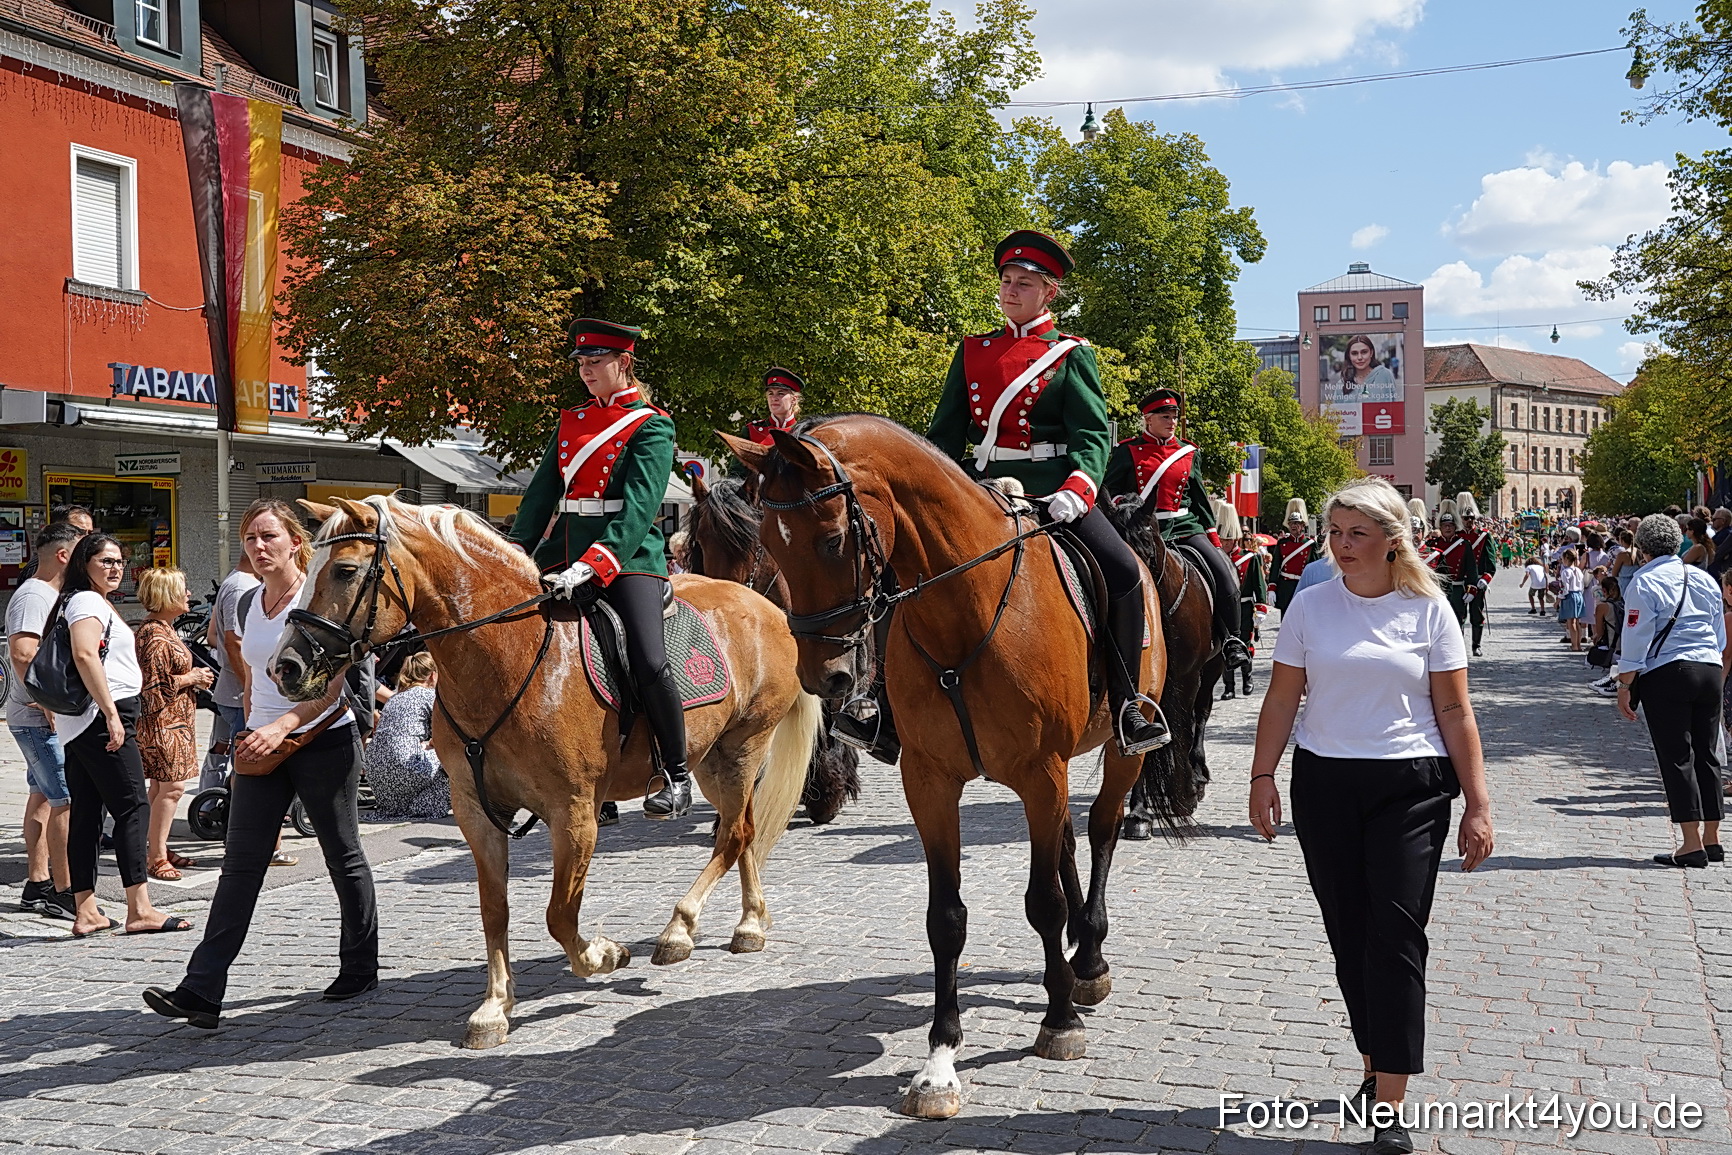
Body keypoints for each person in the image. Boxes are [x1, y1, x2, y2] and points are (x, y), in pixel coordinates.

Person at [1248, 477, 1494, 1155]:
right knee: (1349, 933)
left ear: (1393, 540)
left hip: (1409, 787)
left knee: (1395, 935)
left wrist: (1477, 801)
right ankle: (1371, 1061)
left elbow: (1454, 710)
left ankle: (1389, 1106)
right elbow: (1281, 696)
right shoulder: (1310, 604)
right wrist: (1261, 773)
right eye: (1335, 531)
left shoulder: (1429, 607)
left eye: (1358, 533)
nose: (1343, 545)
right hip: (1324, 782)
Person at [928, 230, 1167, 755]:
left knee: (1124, 573)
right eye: (1006, 282)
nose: (1010, 291)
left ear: (1049, 293)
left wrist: (1079, 489)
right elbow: (945, 435)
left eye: (1023, 284)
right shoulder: (972, 351)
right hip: (984, 488)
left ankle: (1130, 705)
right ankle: (880, 705)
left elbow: (1090, 436)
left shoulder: (1070, 354)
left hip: (1056, 491)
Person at [144, 500, 379, 1029]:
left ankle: (361, 965)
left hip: (322, 741)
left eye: (268, 536)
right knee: (240, 867)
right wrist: (250, 729)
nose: (258, 546)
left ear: (297, 541)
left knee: (343, 855)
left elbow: (333, 686)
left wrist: (280, 727)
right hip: (261, 747)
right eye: (250, 538)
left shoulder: (315, 596)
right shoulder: (249, 602)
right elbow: (250, 676)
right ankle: (201, 991)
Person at [509, 318, 696, 815]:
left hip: (628, 556)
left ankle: (675, 774)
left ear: (623, 363)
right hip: (563, 551)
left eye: (595, 362)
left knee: (647, 658)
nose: (586, 371)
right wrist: (513, 552)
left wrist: (596, 564)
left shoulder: (652, 424)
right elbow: (541, 494)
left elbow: (639, 507)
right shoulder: (571, 421)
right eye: (582, 363)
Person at [57, 534, 191, 937]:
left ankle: (87, 911)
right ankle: (140, 909)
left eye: (119, 561)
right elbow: (83, 653)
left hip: (85, 721)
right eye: (105, 561)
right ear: (84, 564)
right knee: (134, 807)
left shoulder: (82, 601)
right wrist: (113, 715)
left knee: (88, 812)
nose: (115, 568)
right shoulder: (87, 601)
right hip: (102, 718)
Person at [1101, 388, 1251, 672]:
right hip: (1141, 529)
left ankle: (1232, 640)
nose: (1171, 422)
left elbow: (1199, 501)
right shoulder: (1127, 451)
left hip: (1183, 526)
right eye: (1164, 416)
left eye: (1174, 416)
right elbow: (1109, 491)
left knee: (1224, 573)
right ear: (1148, 419)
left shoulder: (1188, 452)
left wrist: (1213, 538)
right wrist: (1125, 504)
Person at [1615, 514, 1727, 868]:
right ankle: (1713, 837)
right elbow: (1717, 631)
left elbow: (1635, 636)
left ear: (1643, 548)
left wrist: (1624, 683)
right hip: (1709, 668)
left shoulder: (1644, 580)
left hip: (1669, 670)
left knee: (1678, 756)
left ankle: (1690, 843)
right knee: (1707, 754)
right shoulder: (1702, 578)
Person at [8, 522, 85, 920]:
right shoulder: (36, 595)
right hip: (38, 719)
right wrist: (49, 704)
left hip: (36, 717)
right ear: (63, 555)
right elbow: (23, 653)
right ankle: (63, 890)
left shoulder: (45, 593)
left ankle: (37, 883)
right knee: (64, 800)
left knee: (42, 797)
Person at [135, 568, 214, 881]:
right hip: (163, 723)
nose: (188, 595)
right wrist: (191, 678)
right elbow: (151, 688)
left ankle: (158, 847)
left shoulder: (161, 629)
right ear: (166, 595)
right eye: (183, 589)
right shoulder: (154, 634)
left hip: (174, 721)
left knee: (160, 788)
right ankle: (156, 857)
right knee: (171, 788)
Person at [364, 652, 451, 822]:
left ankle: (405, 806)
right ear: (433, 676)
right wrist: (432, 744)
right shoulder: (429, 696)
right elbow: (447, 733)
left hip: (375, 768)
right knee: (454, 757)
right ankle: (428, 805)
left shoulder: (394, 699)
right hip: (405, 767)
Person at [199, 553, 259, 793]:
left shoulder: (234, 582)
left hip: (229, 688)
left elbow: (213, 635)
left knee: (222, 748)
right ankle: (231, 813)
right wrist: (251, 688)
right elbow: (234, 642)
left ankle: (209, 802)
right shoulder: (243, 587)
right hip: (239, 693)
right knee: (243, 759)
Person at [1218, 502, 1266, 701]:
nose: (1225, 543)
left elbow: (1258, 584)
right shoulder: (1218, 558)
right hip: (1224, 609)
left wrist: (1261, 607)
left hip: (1245, 607)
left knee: (1245, 644)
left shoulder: (1249, 558)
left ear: (1236, 538)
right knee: (1224, 647)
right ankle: (1229, 686)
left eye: (1228, 539)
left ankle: (1247, 679)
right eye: (1222, 539)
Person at [1426, 501, 1483, 649]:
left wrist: (1471, 589)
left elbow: (1471, 570)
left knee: (1458, 620)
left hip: (1457, 588)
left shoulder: (1463, 545)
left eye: (1450, 526)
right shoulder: (1433, 545)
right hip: (1438, 589)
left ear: (1455, 527)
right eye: (1445, 526)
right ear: (1440, 527)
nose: (1447, 528)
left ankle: (1457, 648)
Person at [1457, 494, 1494, 656]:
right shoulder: (1457, 536)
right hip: (1461, 581)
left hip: (1477, 580)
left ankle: (1476, 645)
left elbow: (1490, 562)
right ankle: (1458, 647)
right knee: (1459, 614)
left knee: (1477, 614)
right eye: (1466, 518)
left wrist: (1485, 579)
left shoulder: (1483, 536)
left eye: (1471, 518)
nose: (1469, 521)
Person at [1273, 500, 1316, 613]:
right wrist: (1272, 587)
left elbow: (1314, 568)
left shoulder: (1310, 544)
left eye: (1297, 523)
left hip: (1303, 585)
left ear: (1302, 525)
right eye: (1291, 523)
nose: (1293, 526)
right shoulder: (1282, 543)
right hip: (1285, 586)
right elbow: (1275, 566)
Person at [743, 366, 803, 445]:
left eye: (780, 393)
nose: (774, 398)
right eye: (770, 393)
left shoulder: (804, 432)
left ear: (794, 399)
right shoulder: (752, 430)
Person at [1337, 335, 1396, 399]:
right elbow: (1336, 408)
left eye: (1364, 352)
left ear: (1371, 353)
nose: (1359, 357)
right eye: (1354, 353)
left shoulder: (1384, 375)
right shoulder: (1342, 384)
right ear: (1349, 356)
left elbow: (1393, 405)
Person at [1556, 548, 1586, 651]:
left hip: (1570, 596)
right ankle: (1578, 644)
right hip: (1579, 595)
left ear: (1566, 558)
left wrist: (1558, 601)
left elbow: (1564, 588)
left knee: (1571, 622)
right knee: (1577, 621)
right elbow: (1582, 585)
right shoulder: (1578, 571)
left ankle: (1574, 645)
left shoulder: (1565, 572)